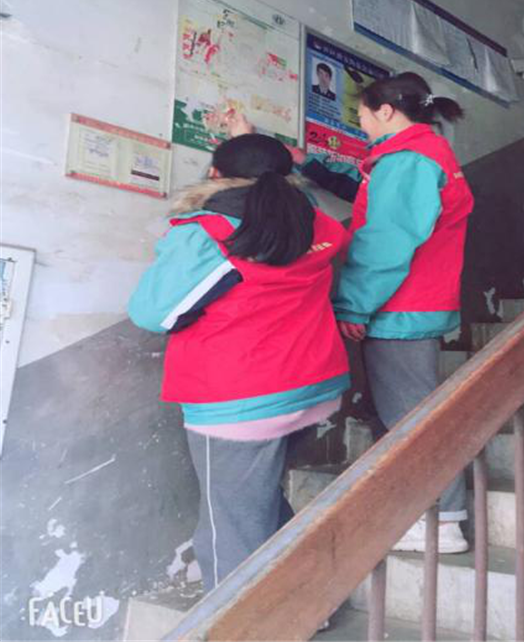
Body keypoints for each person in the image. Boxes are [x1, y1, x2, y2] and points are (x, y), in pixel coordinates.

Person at [128, 123, 350, 592]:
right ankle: (309, 599)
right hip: (313, 387)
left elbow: (152, 313)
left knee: (228, 528)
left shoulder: (208, 233)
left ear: (214, 173)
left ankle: (248, 619)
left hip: (240, 401)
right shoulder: (316, 224)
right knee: (255, 500)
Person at [295, 72, 474, 553]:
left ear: (387, 111)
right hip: (410, 302)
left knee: (411, 417)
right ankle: (432, 513)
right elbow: (370, 194)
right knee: (406, 413)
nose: (362, 127)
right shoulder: (419, 155)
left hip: (400, 306)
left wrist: (353, 303)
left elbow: (386, 239)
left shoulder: (409, 160)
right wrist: (308, 164)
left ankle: (441, 521)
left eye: (362, 117)